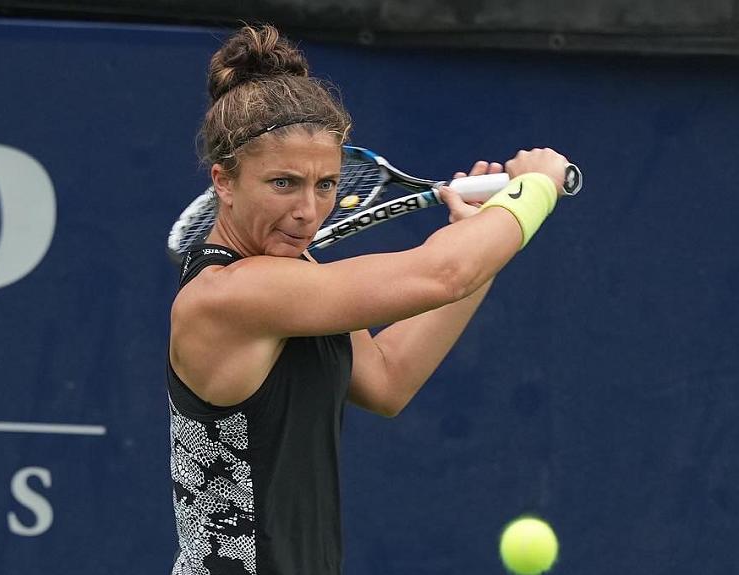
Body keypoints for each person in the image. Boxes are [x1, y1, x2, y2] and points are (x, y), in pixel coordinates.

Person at [168, 24, 571, 575]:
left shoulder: (293, 271)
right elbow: (443, 271)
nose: (309, 210)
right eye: (284, 184)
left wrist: (485, 242)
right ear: (225, 181)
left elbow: (387, 379)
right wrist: (537, 188)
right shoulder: (229, 295)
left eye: (326, 184)